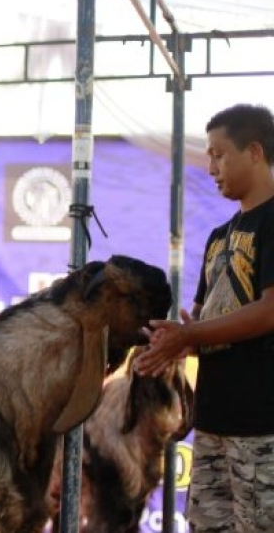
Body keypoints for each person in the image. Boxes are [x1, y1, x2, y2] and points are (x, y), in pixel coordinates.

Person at [135, 103, 274, 532]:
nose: (211, 167)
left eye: (219, 154)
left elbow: (270, 310)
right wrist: (175, 340)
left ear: (254, 151)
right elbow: (203, 325)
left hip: (262, 426)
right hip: (213, 423)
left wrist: (191, 334)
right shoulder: (218, 236)